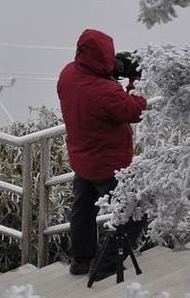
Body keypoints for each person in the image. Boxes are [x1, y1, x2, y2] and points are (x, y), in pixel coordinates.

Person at [57, 28, 148, 279]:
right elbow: (135, 111)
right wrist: (135, 80)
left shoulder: (68, 73)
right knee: (135, 211)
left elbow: (92, 87)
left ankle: (81, 260)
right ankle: (105, 265)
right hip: (108, 164)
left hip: (82, 157)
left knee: (84, 210)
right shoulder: (105, 92)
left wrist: (109, 71)